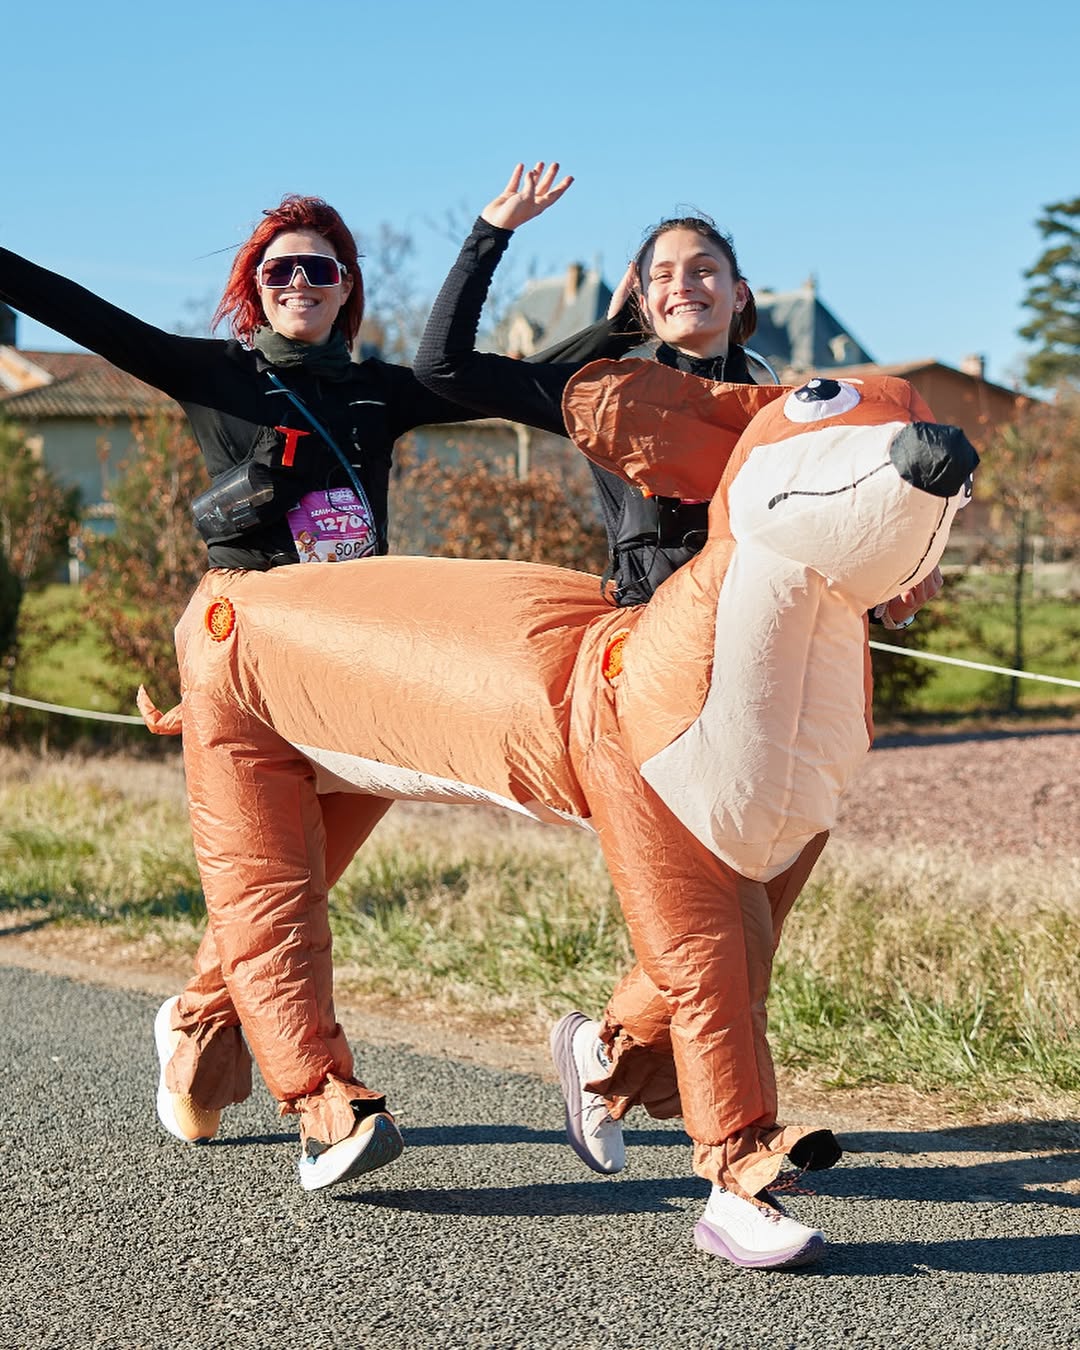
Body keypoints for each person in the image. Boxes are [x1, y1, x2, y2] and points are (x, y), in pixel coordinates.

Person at [0, 193, 628, 1192]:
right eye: (279, 271)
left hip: (358, 665)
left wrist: (627, 317)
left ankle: (203, 1014)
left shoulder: (382, 389)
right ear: (253, 291)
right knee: (273, 894)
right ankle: (325, 1101)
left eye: (320, 270)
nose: (299, 283)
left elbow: (514, 381)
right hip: (243, 657)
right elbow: (84, 314)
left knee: (293, 897)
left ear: (347, 291)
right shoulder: (212, 373)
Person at [415, 163, 942, 1267]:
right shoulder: (607, 383)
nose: (684, 285)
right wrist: (491, 232)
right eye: (664, 275)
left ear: (741, 292)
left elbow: (849, 529)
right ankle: (741, 1171)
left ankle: (604, 1054)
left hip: (771, 688)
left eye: (705, 269)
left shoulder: (793, 409)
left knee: (745, 940)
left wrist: (895, 578)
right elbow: (445, 367)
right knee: (717, 939)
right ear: (641, 297)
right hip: (650, 684)